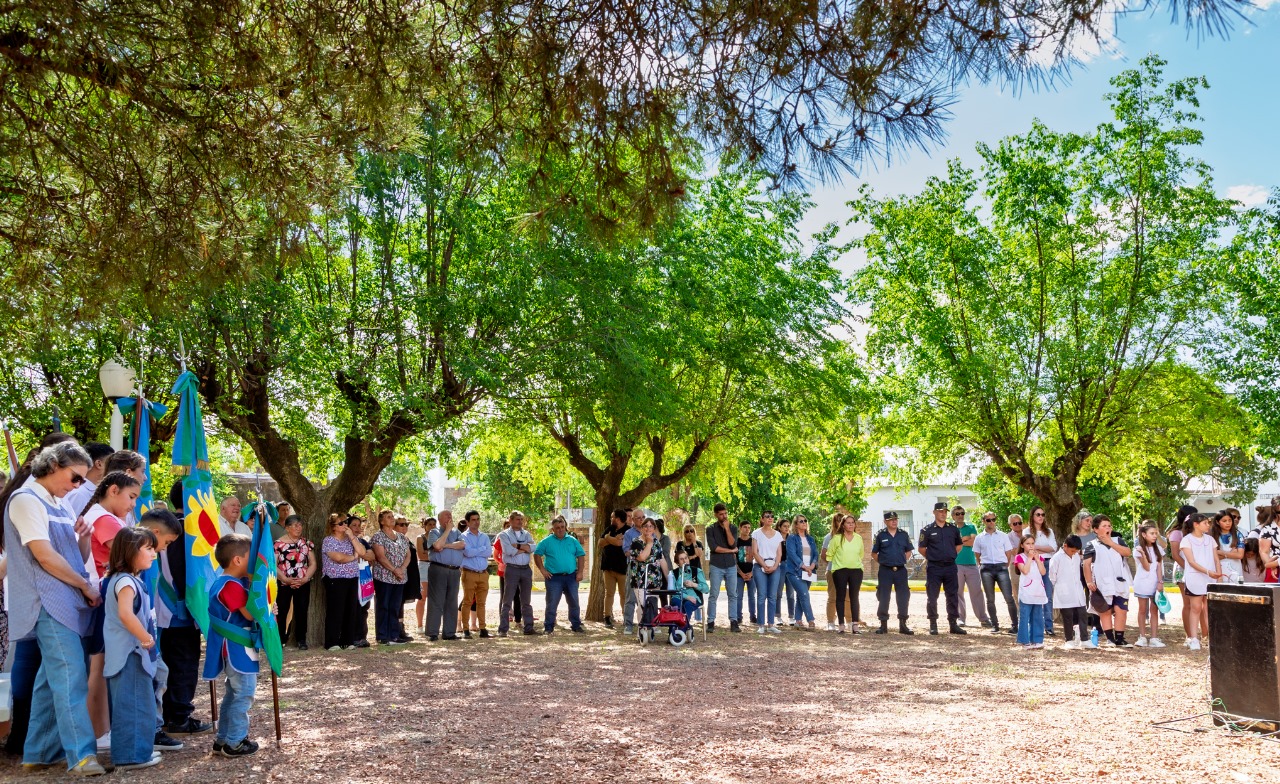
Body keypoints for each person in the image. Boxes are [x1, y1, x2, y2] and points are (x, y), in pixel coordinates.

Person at [4, 442, 105, 776]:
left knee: (51, 679)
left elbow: (69, 553)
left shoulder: (58, 503)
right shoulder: (25, 500)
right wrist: (85, 585)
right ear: (52, 465)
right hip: (47, 601)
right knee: (70, 676)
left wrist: (85, 538)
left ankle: (38, 753)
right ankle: (81, 756)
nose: (78, 486)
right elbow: (44, 557)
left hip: (66, 600)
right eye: (75, 477)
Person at [80, 470, 141, 748]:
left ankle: (101, 730)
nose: (132, 505)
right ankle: (98, 730)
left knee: (101, 663)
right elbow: (130, 553)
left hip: (103, 594)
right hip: (104, 596)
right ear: (113, 490)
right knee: (100, 664)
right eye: (131, 497)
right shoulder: (104, 520)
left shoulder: (98, 515)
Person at [157, 483, 214, 739]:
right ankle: (179, 715)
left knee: (175, 661)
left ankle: (172, 713)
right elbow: (184, 573)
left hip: (169, 607)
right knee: (183, 663)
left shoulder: (166, 523)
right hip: (179, 607)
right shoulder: (183, 528)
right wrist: (196, 605)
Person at [103, 527, 162, 770]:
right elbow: (126, 614)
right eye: (148, 549)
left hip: (131, 653)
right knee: (133, 705)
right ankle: (131, 756)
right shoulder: (126, 581)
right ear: (130, 551)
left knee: (139, 703)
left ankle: (137, 752)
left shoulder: (125, 579)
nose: (153, 554)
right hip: (130, 654)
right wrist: (146, 639)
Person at [203, 534, 260, 757]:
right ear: (237, 560)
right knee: (244, 693)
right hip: (235, 647)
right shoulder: (230, 586)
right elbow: (249, 613)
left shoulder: (229, 582)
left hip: (237, 646)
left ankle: (223, 739)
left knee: (233, 694)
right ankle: (235, 741)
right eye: (251, 557)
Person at [1083, 515, 1134, 648]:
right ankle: (1110, 639)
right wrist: (1089, 581)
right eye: (1104, 526)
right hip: (1101, 583)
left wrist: (1110, 542)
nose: (1108, 528)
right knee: (1105, 610)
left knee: (1121, 609)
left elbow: (1127, 552)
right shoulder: (1091, 545)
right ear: (1095, 529)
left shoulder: (1118, 540)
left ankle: (1120, 638)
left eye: (1109, 526)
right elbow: (1086, 565)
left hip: (1119, 582)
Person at [321, 514, 368, 650]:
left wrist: (352, 537)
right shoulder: (328, 540)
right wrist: (353, 557)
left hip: (352, 577)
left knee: (350, 610)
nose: (344, 525)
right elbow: (338, 558)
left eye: (346, 522)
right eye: (341, 523)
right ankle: (332, 642)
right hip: (335, 579)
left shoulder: (351, 539)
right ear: (333, 527)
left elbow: (362, 551)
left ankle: (347, 641)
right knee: (336, 610)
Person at [918, 501, 965, 635]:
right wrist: (933, 556)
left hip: (950, 566)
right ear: (934, 513)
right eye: (940, 511)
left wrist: (950, 554)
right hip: (934, 567)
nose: (943, 514)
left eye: (945, 511)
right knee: (932, 596)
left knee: (952, 596)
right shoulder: (927, 530)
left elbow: (959, 545)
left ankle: (953, 624)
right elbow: (921, 548)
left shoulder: (953, 529)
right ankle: (933, 623)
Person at [534, 516, 586, 634]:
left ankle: (576, 625)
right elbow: (537, 554)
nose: (560, 529)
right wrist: (542, 570)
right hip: (553, 578)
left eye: (562, 527)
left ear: (565, 527)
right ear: (553, 529)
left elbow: (581, 555)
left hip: (571, 576)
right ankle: (548, 627)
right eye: (557, 528)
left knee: (574, 602)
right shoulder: (546, 541)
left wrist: (580, 571)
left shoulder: (572, 540)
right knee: (552, 603)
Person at [370, 509, 412, 645]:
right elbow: (380, 557)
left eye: (392, 516)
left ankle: (394, 635)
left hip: (400, 577)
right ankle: (383, 636)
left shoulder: (401, 537)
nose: (392, 519)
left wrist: (402, 569)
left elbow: (408, 555)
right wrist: (394, 569)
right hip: (384, 576)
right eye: (388, 517)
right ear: (382, 521)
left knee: (395, 606)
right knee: (384, 605)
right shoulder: (378, 537)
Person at [1179, 513, 1220, 651]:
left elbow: (1216, 559)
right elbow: (1191, 561)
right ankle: (1194, 638)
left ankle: (1210, 637)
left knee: (1209, 608)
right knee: (1195, 607)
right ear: (1196, 525)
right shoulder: (1186, 540)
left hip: (1210, 578)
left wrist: (1218, 576)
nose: (1208, 525)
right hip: (1195, 577)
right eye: (1205, 523)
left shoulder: (1210, 539)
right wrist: (1208, 572)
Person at [274, 515, 315, 650]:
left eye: (300, 525)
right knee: (282, 610)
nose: (299, 528)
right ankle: (279, 639)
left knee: (301, 610)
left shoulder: (306, 543)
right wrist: (285, 579)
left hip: (302, 582)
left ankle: (301, 639)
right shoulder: (278, 544)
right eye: (295, 525)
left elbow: (313, 563)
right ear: (287, 528)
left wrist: (305, 578)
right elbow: (273, 565)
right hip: (284, 582)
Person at [973, 512, 1017, 635]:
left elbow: (1008, 552)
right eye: (988, 520)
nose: (991, 522)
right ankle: (995, 625)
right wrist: (981, 564)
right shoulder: (979, 538)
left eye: (993, 519)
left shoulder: (1003, 536)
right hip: (986, 568)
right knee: (990, 599)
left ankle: (1015, 625)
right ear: (984, 521)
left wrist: (1005, 565)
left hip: (1001, 567)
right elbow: (977, 554)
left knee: (1009, 598)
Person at [871, 511, 914, 635]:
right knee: (884, 597)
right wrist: (885, 562)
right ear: (885, 521)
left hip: (900, 570)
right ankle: (883, 624)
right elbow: (874, 553)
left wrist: (900, 560)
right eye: (891, 519)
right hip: (885, 570)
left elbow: (908, 551)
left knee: (903, 597)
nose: (894, 521)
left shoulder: (903, 535)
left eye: (895, 519)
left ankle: (903, 624)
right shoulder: (880, 535)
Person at [498, 510, 538, 637]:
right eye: (517, 519)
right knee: (507, 600)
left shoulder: (526, 534)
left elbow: (534, 548)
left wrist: (518, 546)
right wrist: (525, 548)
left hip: (526, 569)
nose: (520, 522)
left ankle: (528, 627)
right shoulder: (504, 535)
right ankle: (503, 629)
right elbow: (509, 551)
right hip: (512, 569)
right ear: (510, 521)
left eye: (521, 519)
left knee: (526, 600)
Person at [425, 510, 463, 641]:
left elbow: (462, 544)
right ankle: (433, 632)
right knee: (436, 601)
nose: (450, 517)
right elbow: (436, 545)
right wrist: (447, 531)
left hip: (454, 570)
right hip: (439, 569)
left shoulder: (457, 532)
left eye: (451, 515)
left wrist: (446, 545)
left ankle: (449, 632)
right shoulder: (434, 532)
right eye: (447, 515)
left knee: (452, 601)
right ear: (440, 519)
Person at [703, 503, 740, 633]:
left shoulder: (733, 528)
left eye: (725, 513)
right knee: (713, 594)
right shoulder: (710, 529)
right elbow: (715, 548)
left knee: (733, 594)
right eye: (721, 514)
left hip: (730, 566)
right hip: (716, 565)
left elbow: (732, 544)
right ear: (715, 515)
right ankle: (711, 621)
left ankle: (734, 621)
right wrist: (731, 551)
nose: (724, 516)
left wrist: (727, 529)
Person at [952, 505, 989, 629]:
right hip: (956, 564)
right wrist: (965, 539)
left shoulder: (971, 527)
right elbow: (951, 544)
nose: (960, 515)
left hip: (972, 564)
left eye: (962, 513)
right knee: (958, 592)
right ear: (953, 516)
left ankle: (983, 618)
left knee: (977, 591)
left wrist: (960, 542)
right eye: (957, 514)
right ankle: (960, 618)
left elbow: (974, 542)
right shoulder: (950, 529)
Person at [1049, 535, 1089, 649]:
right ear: (1065, 546)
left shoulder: (1076, 556)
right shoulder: (1056, 558)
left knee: (1082, 614)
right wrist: (1060, 586)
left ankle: (1084, 639)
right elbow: (1052, 576)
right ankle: (1069, 640)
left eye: (1076, 551)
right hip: (1064, 591)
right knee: (1068, 616)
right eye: (1072, 550)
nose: (1074, 553)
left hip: (1077, 590)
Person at [629, 518, 670, 628]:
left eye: (651, 526)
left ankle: (651, 627)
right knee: (643, 606)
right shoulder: (636, 542)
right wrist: (649, 543)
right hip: (640, 580)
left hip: (655, 580)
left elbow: (661, 560)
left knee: (652, 604)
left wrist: (669, 578)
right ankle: (642, 629)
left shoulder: (657, 542)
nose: (648, 528)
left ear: (654, 528)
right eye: (645, 526)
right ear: (641, 528)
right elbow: (642, 557)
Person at [828, 514, 865, 634]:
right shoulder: (836, 538)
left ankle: (855, 625)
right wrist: (839, 563)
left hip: (856, 570)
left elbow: (861, 554)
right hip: (840, 570)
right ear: (843, 525)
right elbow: (829, 555)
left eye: (852, 522)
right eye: (848, 523)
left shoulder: (858, 538)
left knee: (854, 597)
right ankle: (841, 625)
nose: (850, 525)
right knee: (840, 596)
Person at [458, 510, 492, 638]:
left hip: (483, 573)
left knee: (481, 603)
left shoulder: (484, 537)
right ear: (467, 522)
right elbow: (467, 553)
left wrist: (477, 550)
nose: (476, 522)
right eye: (473, 520)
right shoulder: (463, 537)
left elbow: (489, 552)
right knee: (467, 601)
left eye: (478, 519)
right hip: (469, 573)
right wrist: (481, 549)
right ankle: (466, 629)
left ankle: (483, 628)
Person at [1132, 521, 1165, 648]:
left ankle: (1154, 638)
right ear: (1144, 535)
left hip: (1155, 582)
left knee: (1154, 610)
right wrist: (1144, 554)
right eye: (1152, 533)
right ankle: (1142, 636)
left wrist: (1160, 581)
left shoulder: (1158, 549)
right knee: (1142, 609)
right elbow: (1146, 567)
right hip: (1142, 582)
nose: (1155, 536)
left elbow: (1158, 567)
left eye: (1155, 533)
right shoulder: (1138, 550)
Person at [750, 511, 785, 634]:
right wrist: (764, 565)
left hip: (775, 566)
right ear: (762, 519)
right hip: (760, 566)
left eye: (772, 516)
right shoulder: (756, 533)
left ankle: (771, 624)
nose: (770, 518)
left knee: (772, 596)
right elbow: (755, 552)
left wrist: (775, 566)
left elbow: (779, 553)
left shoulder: (778, 535)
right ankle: (761, 624)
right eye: (767, 516)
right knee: (761, 595)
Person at [62, 442, 115, 521]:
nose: (114, 468)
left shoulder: (96, 491)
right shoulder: (79, 493)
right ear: (99, 464)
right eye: (111, 463)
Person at [1167, 504, 1197, 639]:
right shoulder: (1176, 533)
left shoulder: (1195, 533)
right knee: (1188, 604)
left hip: (1195, 569)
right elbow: (1175, 554)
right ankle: (1189, 635)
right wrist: (1188, 566)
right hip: (1182, 569)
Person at [1027, 506, 1058, 635]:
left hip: (1047, 563)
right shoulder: (1027, 531)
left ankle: (1049, 626)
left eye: (1042, 514)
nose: (1040, 517)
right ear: (1032, 516)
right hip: (1033, 563)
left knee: (1048, 595)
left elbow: (1053, 548)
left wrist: (1037, 547)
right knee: (1033, 594)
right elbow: (1028, 549)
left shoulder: (1049, 531)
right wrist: (1042, 548)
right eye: (1038, 514)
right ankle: (1034, 625)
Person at [1014, 534, 1048, 650]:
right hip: (1026, 592)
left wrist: (1037, 559)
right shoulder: (1019, 557)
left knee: (1038, 616)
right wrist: (1029, 558)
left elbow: (1043, 572)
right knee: (1025, 616)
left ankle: (1037, 640)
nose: (1031, 546)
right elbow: (1025, 570)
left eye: (1032, 543)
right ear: (1022, 545)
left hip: (1038, 590)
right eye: (1028, 543)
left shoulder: (1040, 557)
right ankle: (1025, 641)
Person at [785, 515, 818, 629]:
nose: (804, 523)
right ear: (796, 524)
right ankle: (811, 620)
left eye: (805, 521)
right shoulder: (791, 538)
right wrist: (804, 566)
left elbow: (815, 554)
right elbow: (792, 555)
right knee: (804, 594)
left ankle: (797, 620)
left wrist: (812, 565)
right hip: (795, 571)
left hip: (809, 572)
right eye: (801, 521)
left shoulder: (811, 539)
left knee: (801, 596)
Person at [599, 508, 629, 628]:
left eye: (613, 517)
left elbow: (619, 543)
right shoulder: (609, 529)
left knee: (623, 594)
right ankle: (607, 617)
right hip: (608, 568)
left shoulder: (628, 531)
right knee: (609, 593)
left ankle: (626, 618)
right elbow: (600, 543)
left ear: (618, 519)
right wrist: (610, 538)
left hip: (622, 569)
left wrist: (608, 538)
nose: (611, 519)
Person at [669, 549, 709, 634]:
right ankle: (682, 629)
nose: (684, 561)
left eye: (686, 558)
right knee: (676, 603)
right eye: (681, 559)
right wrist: (687, 597)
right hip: (679, 597)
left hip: (694, 598)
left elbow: (706, 589)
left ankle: (680, 632)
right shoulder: (673, 574)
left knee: (687, 604)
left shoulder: (696, 571)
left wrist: (693, 584)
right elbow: (672, 591)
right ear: (677, 562)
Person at [819, 512, 841, 630]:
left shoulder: (850, 536)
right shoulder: (829, 537)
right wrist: (833, 563)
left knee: (847, 597)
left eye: (842, 520)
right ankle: (830, 621)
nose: (840, 522)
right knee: (832, 597)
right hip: (832, 570)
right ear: (834, 522)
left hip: (847, 571)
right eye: (838, 520)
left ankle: (848, 621)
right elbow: (823, 555)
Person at [1212, 509, 1243, 584]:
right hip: (1218, 570)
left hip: (1235, 570)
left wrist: (1221, 552)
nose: (1228, 523)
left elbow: (1240, 555)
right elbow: (1211, 557)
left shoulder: (1238, 535)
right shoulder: (1211, 535)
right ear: (1217, 522)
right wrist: (1231, 553)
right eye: (1224, 521)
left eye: (1230, 520)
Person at [734, 521, 755, 627]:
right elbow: (734, 560)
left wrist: (751, 573)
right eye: (745, 527)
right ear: (740, 528)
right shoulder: (736, 542)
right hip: (739, 574)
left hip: (752, 573)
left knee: (752, 596)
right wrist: (741, 573)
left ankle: (753, 616)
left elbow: (756, 558)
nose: (747, 529)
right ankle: (738, 617)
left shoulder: (753, 541)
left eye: (749, 527)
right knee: (739, 596)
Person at [414, 517, 433, 632]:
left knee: (434, 598)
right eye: (429, 524)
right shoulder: (420, 538)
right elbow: (421, 555)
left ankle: (431, 625)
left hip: (435, 568)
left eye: (434, 524)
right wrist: (432, 553)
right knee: (422, 597)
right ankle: (420, 625)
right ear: (425, 525)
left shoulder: (438, 537)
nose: (432, 527)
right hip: (424, 567)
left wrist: (427, 553)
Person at [775, 519, 795, 625]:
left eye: (788, 526)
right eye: (784, 526)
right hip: (780, 565)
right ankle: (777, 616)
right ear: (779, 527)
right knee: (778, 592)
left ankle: (792, 616)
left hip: (791, 566)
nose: (787, 528)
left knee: (791, 593)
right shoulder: (775, 538)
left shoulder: (792, 539)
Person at [1007, 514, 1026, 604]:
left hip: (1030, 564)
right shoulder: (1008, 537)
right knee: (1016, 588)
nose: (1018, 525)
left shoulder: (1028, 533)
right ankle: (1020, 614)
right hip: (1015, 565)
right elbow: (1014, 552)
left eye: (1019, 523)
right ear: (1010, 525)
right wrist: (1028, 552)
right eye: (1015, 523)